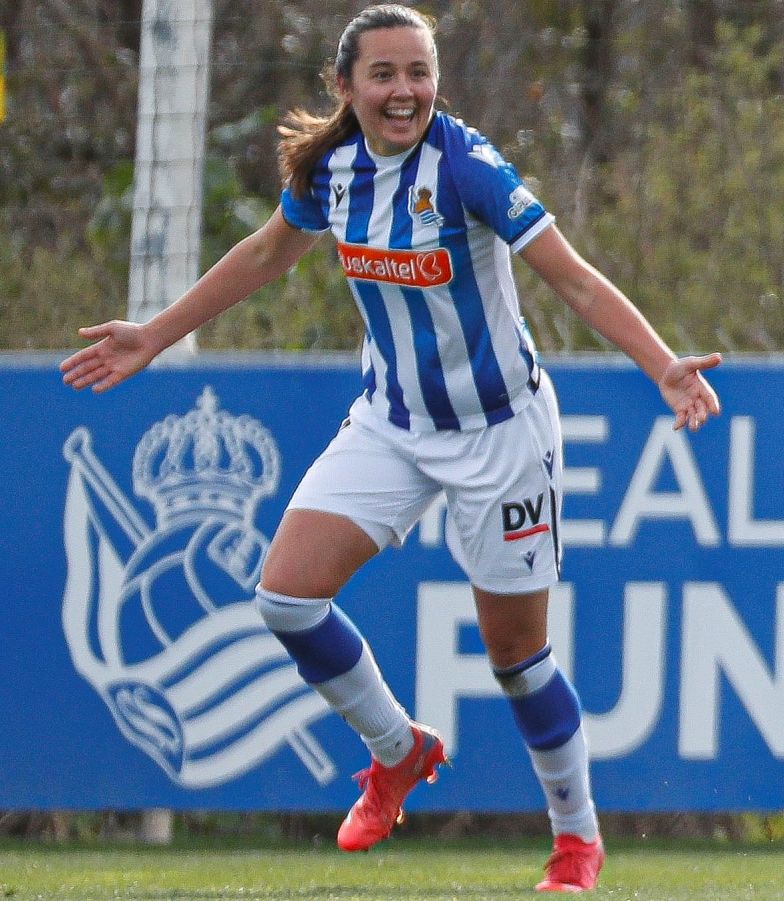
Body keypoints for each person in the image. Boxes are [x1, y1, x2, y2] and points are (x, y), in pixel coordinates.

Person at [61, 4, 721, 892]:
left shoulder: (469, 168)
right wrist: (155, 335)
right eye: (384, 74)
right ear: (346, 86)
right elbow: (264, 256)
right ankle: (398, 749)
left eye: (419, 72)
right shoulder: (332, 169)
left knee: (517, 661)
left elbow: (570, 277)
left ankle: (576, 840)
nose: (404, 90)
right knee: (286, 599)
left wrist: (662, 366)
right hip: (394, 423)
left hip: (501, 435)